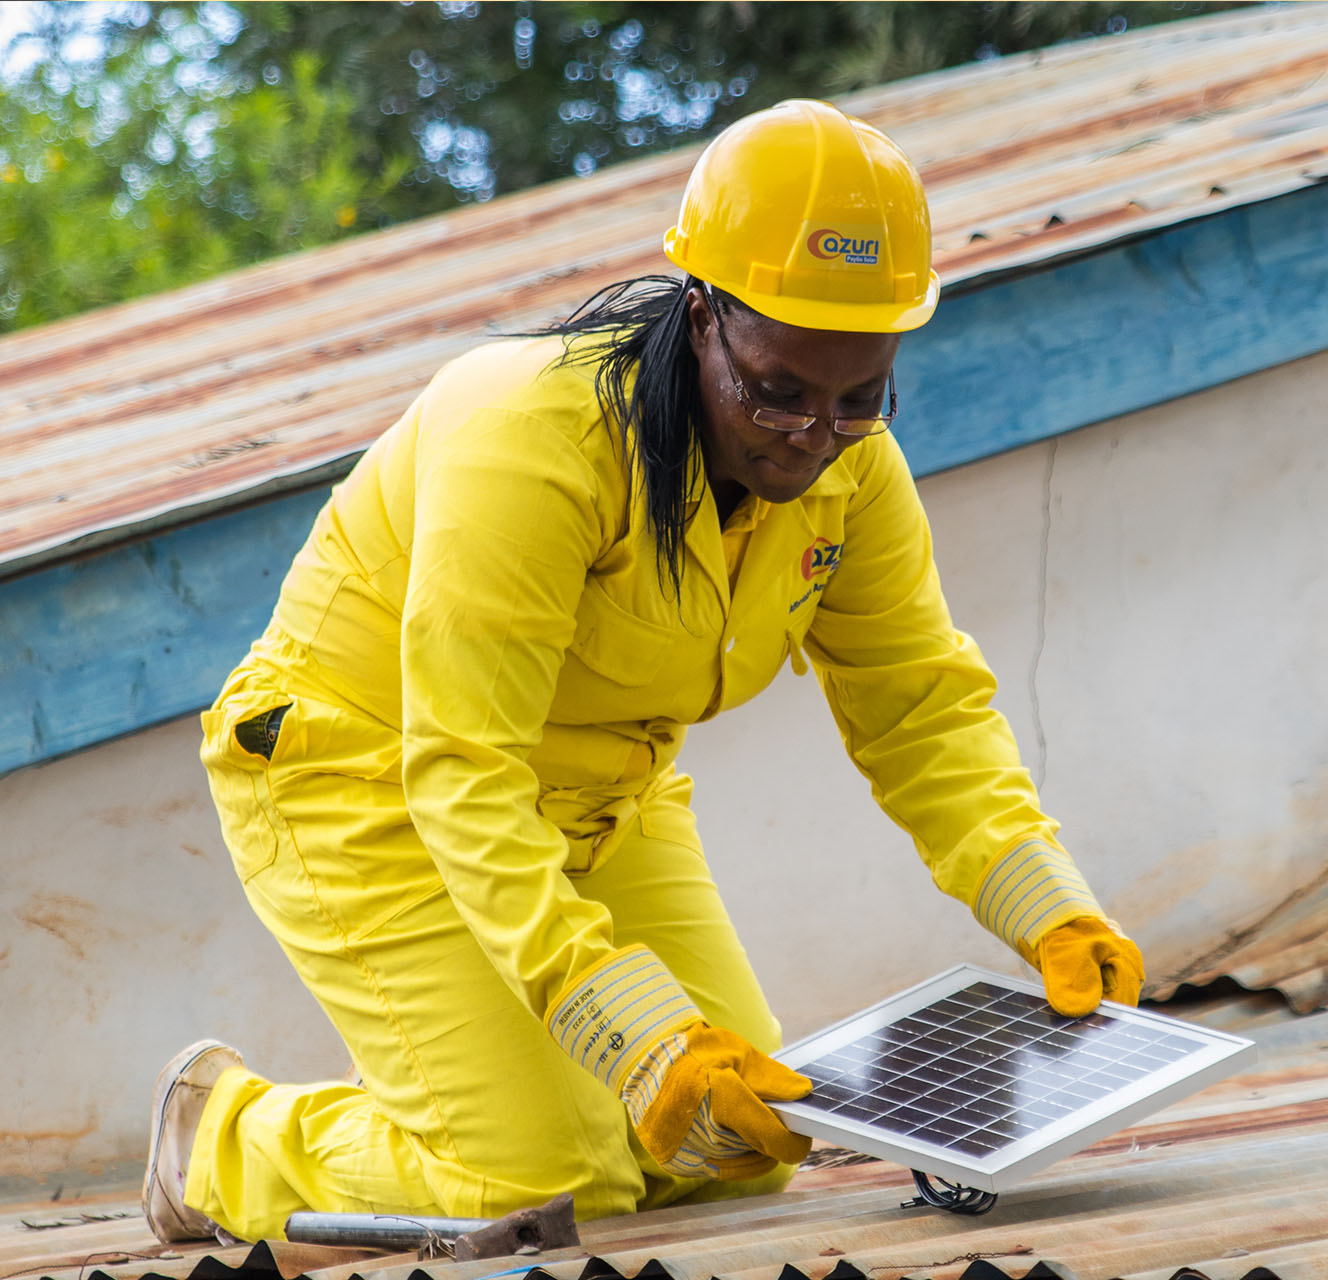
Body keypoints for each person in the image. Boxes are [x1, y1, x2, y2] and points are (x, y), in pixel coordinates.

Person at [142, 99, 1145, 1246]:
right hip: (362, 774)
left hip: (606, 790)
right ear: (703, 313)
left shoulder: (852, 473)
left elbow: (918, 703)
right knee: (538, 1180)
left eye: (859, 397)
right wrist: (637, 1034)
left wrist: (1052, 908)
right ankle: (218, 1132)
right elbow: (463, 769)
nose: (811, 435)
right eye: (778, 389)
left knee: (735, 1150)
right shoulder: (530, 441)